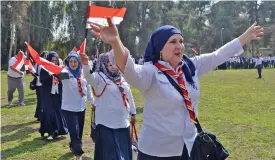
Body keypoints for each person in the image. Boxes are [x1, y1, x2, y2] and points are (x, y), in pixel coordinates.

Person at [86, 18, 264, 159]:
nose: (179, 45)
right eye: (172, 41)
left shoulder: (191, 67)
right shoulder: (151, 72)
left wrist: (245, 37)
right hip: (157, 151)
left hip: (188, 148)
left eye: (181, 41)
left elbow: (218, 55)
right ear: (160, 49)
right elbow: (130, 69)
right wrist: (116, 42)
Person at [81, 50, 137, 160]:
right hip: (106, 125)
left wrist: (133, 113)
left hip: (123, 123)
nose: (113, 67)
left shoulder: (122, 77)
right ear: (103, 64)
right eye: (110, 64)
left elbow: (129, 95)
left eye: (116, 63)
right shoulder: (99, 77)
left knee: (123, 153)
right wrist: (86, 64)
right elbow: (88, 77)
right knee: (111, 155)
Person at [57, 52, 95, 160]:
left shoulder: (82, 73)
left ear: (79, 62)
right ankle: (78, 154)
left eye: (75, 61)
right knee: (74, 131)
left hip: (81, 107)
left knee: (80, 131)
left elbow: (87, 89)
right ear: (68, 62)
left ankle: (73, 145)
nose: (73, 64)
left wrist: (93, 101)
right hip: (68, 108)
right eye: (71, 61)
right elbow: (56, 74)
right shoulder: (65, 72)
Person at [39, 51, 68, 140]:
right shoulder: (44, 69)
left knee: (58, 112)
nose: (54, 62)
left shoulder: (59, 68)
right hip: (47, 94)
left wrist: (59, 73)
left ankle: (59, 130)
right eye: (52, 60)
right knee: (49, 112)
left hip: (57, 94)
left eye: (56, 60)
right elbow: (41, 80)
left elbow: (65, 79)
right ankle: (50, 132)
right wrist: (49, 75)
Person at [33, 51, 48, 121]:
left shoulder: (46, 63)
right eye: (45, 56)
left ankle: (41, 115)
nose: (46, 57)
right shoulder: (38, 64)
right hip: (39, 84)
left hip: (44, 84)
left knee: (43, 101)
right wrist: (39, 77)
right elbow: (33, 72)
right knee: (41, 101)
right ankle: (39, 116)